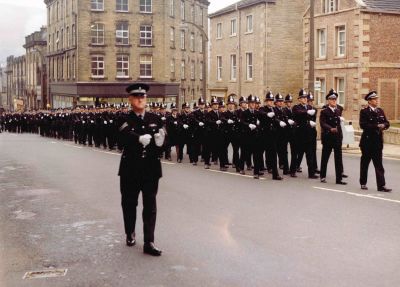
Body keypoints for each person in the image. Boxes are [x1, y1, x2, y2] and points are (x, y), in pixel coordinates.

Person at [118, 83, 165, 256]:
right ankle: (130, 232)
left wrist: (162, 143)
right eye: (136, 96)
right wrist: (137, 139)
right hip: (130, 169)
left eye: (143, 96)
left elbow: (165, 137)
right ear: (130, 99)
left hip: (150, 169)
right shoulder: (124, 119)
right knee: (129, 203)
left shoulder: (155, 119)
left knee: (150, 205)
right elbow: (121, 137)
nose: (140, 99)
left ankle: (149, 242)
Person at [359, 91, 392, 192]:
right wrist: (376, 126)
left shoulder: (380, 111)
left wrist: (384, 125)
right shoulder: (364, 112)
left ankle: (381, 185)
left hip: (377, 142)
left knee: (379, 165)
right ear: (369, 101)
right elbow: (363, 125)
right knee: (365, 164)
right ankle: (363, 183)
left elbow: (387, 122)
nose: (376, 101)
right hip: (367, 142)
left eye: (377, 99)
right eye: (374, 99)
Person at [319, 89, 347, 185]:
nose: (334, 101)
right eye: (332, 99)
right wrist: (330, 129)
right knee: (325, 157)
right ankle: (322, 176)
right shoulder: (324, 111)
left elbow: (338, 124)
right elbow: (322, 123)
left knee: (338, 158)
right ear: (328, 101)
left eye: (335, 99)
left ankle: (339, 179)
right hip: (328, 137)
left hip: (337, 138)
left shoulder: (338, 110)